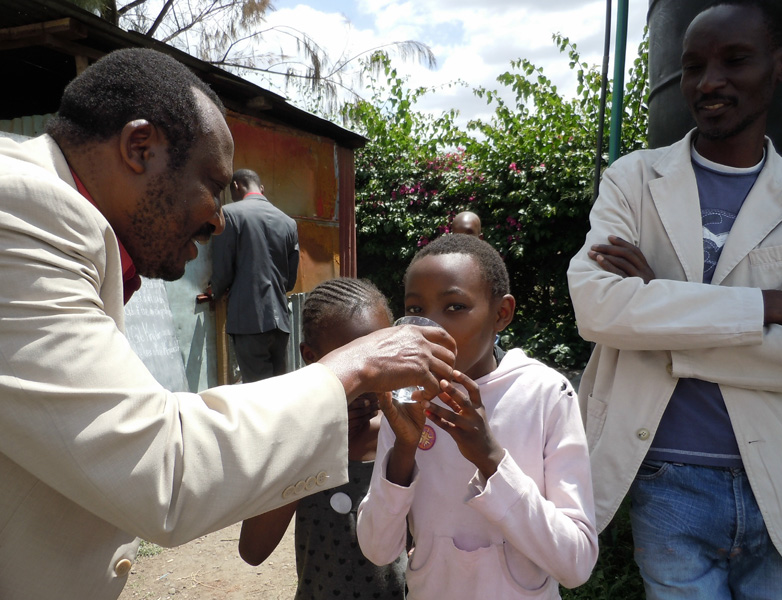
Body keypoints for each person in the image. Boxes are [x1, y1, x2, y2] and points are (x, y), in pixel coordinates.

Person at [0, 48, 455, 600]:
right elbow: (160, 470)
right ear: (138, 148)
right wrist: (354, 367)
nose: (219, 218)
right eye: (212, 186)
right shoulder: (23, 208)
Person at [567, 2, 782, 597]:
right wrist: (769, 307)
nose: (709, 81)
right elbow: (597, 308)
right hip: (667, 480)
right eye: (693, 65)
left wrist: (659, 314)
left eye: (735, 60)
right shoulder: (633, 179)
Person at [357, 234, 597, 599]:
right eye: (416, 311)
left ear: (501, 313)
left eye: (454, 307)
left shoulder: (546, 394)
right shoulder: (406, 399)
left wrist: (490, 458)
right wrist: (403, 452)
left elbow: (575, 564)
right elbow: (377, 549)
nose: (430, 329)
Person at [238, 277, 407, 599]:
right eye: (356, 366)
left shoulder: (405, 432)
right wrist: (317, 443)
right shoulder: (299, 436)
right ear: (311, 357)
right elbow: (253, 549)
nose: (369, 380)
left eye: (380, 361)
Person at [210, 168, 300, 381]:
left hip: (250, 320)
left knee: (257, 393)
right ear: (261, 188)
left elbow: (223, 268)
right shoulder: (288, 222)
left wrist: (215, 290)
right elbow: (291, 279)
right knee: (279, 388)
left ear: (235, 186)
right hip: (281, 323)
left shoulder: (230, 214)